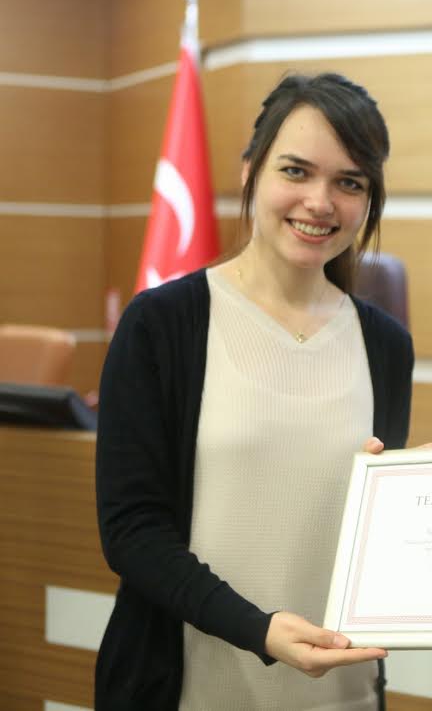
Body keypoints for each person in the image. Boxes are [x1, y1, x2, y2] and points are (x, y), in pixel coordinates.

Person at [95, 73, 409, 710]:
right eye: (296, 171)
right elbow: (132, 531)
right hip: (189, 689)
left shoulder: (385, 343)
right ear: (250, 172)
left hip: (342, 692)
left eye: (350, 183)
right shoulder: (162, 324)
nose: (320, 202)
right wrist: (258, 630)